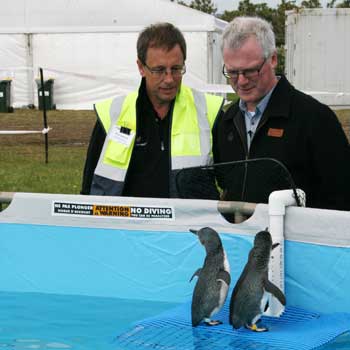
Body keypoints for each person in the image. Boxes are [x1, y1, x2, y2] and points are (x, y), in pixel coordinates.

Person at [213, 16, 350, 211]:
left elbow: (341, 196)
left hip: (299, 240)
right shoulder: (227, 122)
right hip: (242, 240)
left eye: (250, 71)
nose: (241, 81)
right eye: (232, 73)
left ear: (273, 59)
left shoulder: (316, 119)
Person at [81, 22, 224, 198]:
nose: (169, 79)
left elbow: (231, 185)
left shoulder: (210, 111)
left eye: (176, 69)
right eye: (159, 70)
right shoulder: (111, 114)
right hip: (126, 224)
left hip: (188, 225)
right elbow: (88, 188)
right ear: (141, 67)